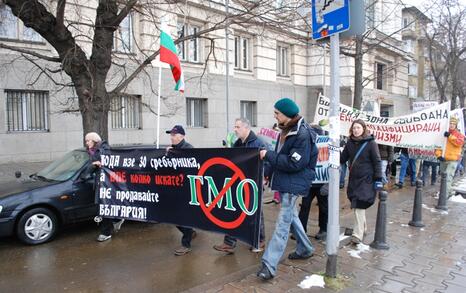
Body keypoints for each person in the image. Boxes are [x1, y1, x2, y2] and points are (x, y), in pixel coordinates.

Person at [256, 98, 318, 281]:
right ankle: (305, 249)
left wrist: (268, 155)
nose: (275, 116)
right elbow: (282, 155)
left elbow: (294, 163)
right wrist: (268, 172)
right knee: (292, 218)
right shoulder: (286, 129)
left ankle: (269, 264)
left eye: (277, 113)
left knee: (282, 225)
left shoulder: (302, 135)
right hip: (286, 181)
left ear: (287, 114)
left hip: (294, 183)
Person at [213, 118, 267, 253]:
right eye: (235, 127)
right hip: (239, 183)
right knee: (233, 211)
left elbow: (268, 162)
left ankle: (260, 240)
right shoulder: (238, 143)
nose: (235, 130)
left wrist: (264, 177)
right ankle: (229, 243)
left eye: (237, 127)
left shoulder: (259, 143)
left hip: (253, 183)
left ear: (246, 128)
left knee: (254, 211)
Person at [340, 119, 383, 245]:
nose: (356, 130)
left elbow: (377, 162)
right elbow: (343, 158)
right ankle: (363, 228)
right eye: (354, 128)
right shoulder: (350, 143)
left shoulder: (371, 143)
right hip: (354, 179)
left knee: (359, 204)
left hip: (366, 179)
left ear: (363, 129)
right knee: (358, 204)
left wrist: (378, 179)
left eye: (358, 128)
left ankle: (357, 235)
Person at [84, 132, 125, 242]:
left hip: (107, 184)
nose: (86, 143)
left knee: (105, 207)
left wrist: (97, 164)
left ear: (94, 140)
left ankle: (106, 233)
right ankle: (117, 219)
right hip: (100, 182)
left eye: (88, 140)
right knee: (105, 207)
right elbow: (90, 168)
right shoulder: (92, 152)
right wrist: (93, 165)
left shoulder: (103, 150)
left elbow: (108, 164)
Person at [165, 125, 197, 256]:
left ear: (182, 136)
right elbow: (167, 168)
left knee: (184, 217)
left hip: (187, 189)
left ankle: (186, 244)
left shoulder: (189, 149)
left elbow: (193, 168)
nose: (171, 137)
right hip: (175, 189)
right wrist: (168, 154)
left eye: (174, 135)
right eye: (171, 135)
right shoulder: (171, 150)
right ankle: (189, 232)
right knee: (172, 217)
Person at [298, 124, 328, 241]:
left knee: (323, 207)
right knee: (304, 206)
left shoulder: (327, 145)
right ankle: (301, 230)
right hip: (309, 182)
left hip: (322, 182)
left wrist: (328, 184)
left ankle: (323, 229)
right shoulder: (306, 145)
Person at [435, 117, 465, 197]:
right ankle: (449, 191)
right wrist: (439, 155)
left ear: (456, 125)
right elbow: (438, 146)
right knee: (443, 178)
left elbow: (460, 143)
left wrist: (450, 136)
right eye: (450, 123)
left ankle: (445, 195)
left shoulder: (459, 135)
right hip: (443, 159)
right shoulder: (443, 133)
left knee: (448, 178)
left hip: (453, 160)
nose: (451, 125)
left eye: (453, 124)